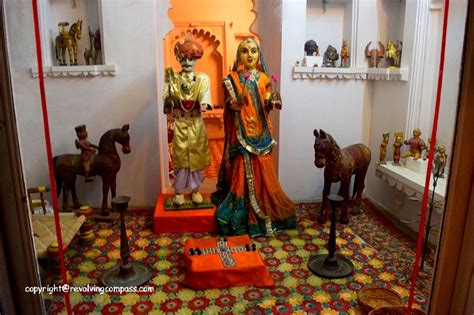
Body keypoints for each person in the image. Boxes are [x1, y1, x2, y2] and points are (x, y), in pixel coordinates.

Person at [212, 37, 296, 237]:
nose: (249, 55)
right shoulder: (231, 78)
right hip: (240, 132)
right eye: (245, 51)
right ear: (238, 55)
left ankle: (264, 209)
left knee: (262, 169)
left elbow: (267, 102)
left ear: (259, 55)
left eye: (253, 51)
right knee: (241, 170)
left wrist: (273, 101)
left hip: (260, 133)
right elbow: (227, 105)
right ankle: (240, 217)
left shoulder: (265, 79)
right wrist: (231, 107)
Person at [162, 36, 212, 206]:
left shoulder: (202, 78)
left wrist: (204, 103)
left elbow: (204, 94)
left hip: (197, 124)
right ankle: (178, 192)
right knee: (180, 159)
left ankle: (196, 190)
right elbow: (166, 97)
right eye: (184, 58)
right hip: (181, 123)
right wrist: (169, 101)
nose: (187, 62)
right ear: (178, 58)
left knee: (196, 158)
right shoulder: (172, 78)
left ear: (197, 59)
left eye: (191, 58)